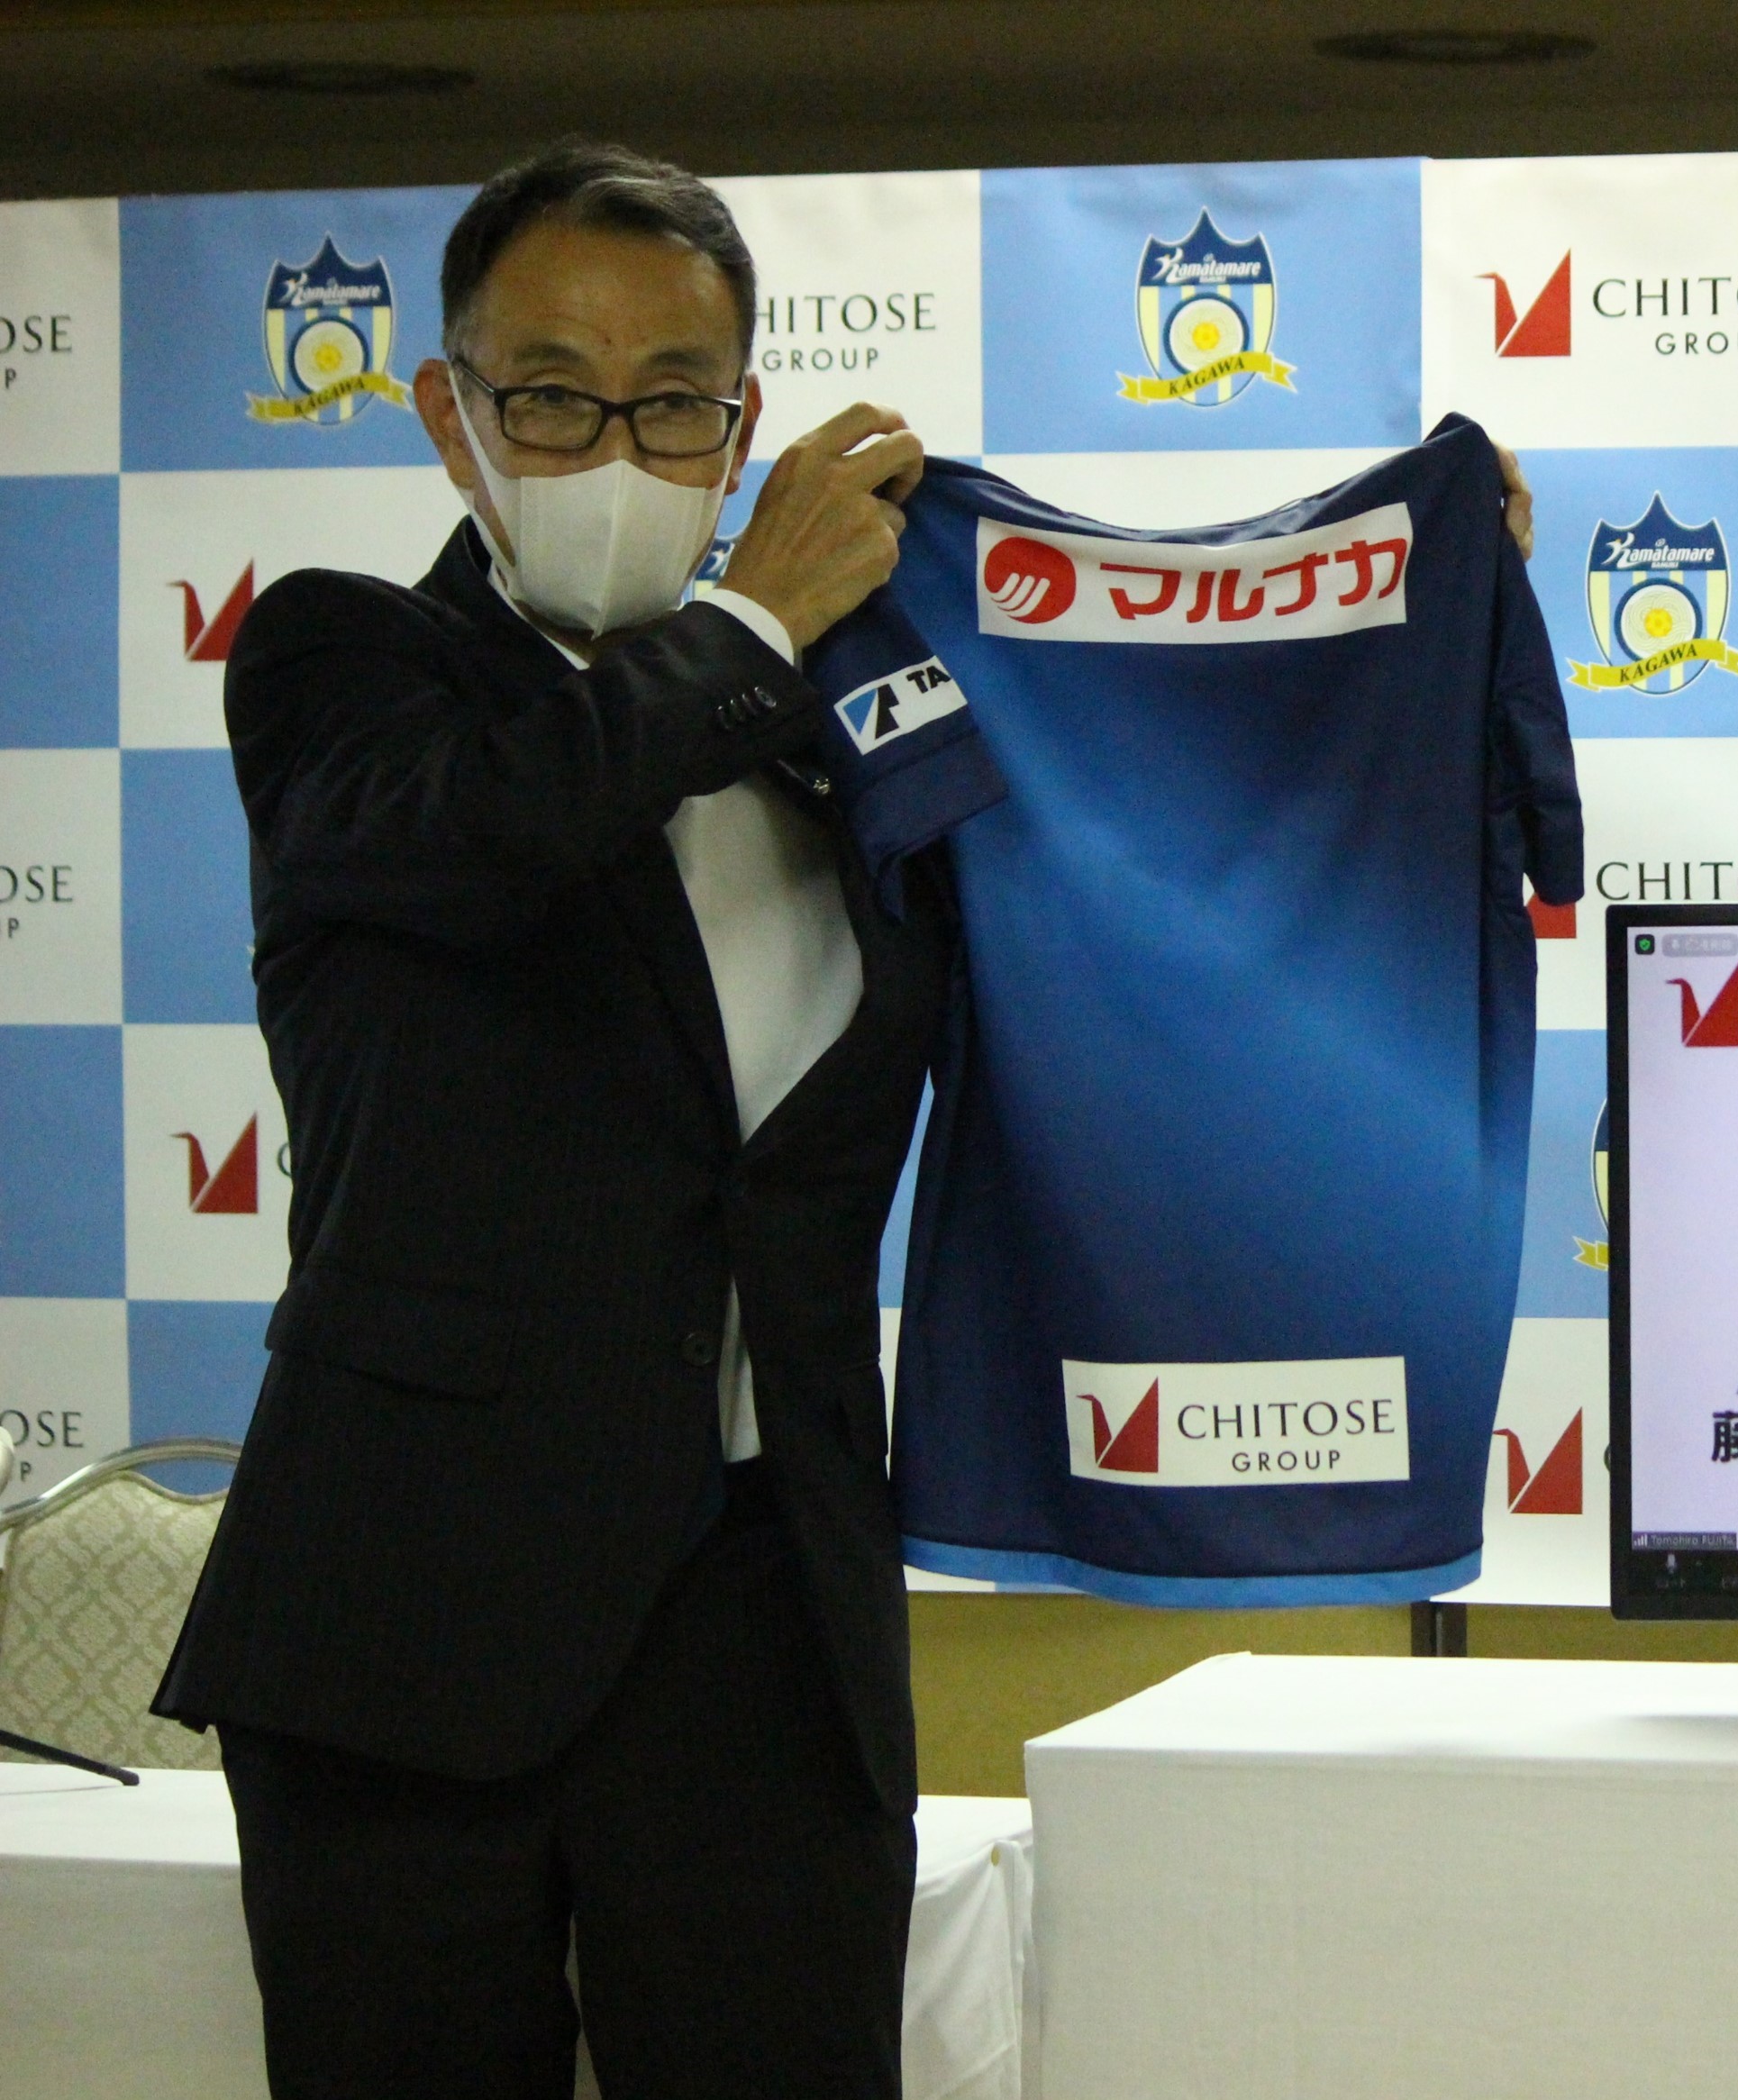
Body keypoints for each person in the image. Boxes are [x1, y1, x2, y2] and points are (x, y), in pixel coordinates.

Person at [150, 140, 955, 2100]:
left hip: (772, 1618)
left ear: (739, 424)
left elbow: (1146, 811)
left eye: (672, 399)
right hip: (408, 1613)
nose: (616, 444)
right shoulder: (346, 666)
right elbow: (491, 834)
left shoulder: (846, 719)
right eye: (552, 396)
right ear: (451, 415)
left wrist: (1408, 609)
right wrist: (748, 624)